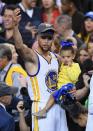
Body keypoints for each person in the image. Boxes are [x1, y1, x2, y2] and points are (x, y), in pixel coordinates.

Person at [13, 8, 68, 131]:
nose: (46, 41)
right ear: (38, 37)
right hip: (41, 107)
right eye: (43, 37)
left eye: (49, 38)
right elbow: (19, 47)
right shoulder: (33, 57)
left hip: (59, 106)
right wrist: (15, 27)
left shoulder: (57, 58)